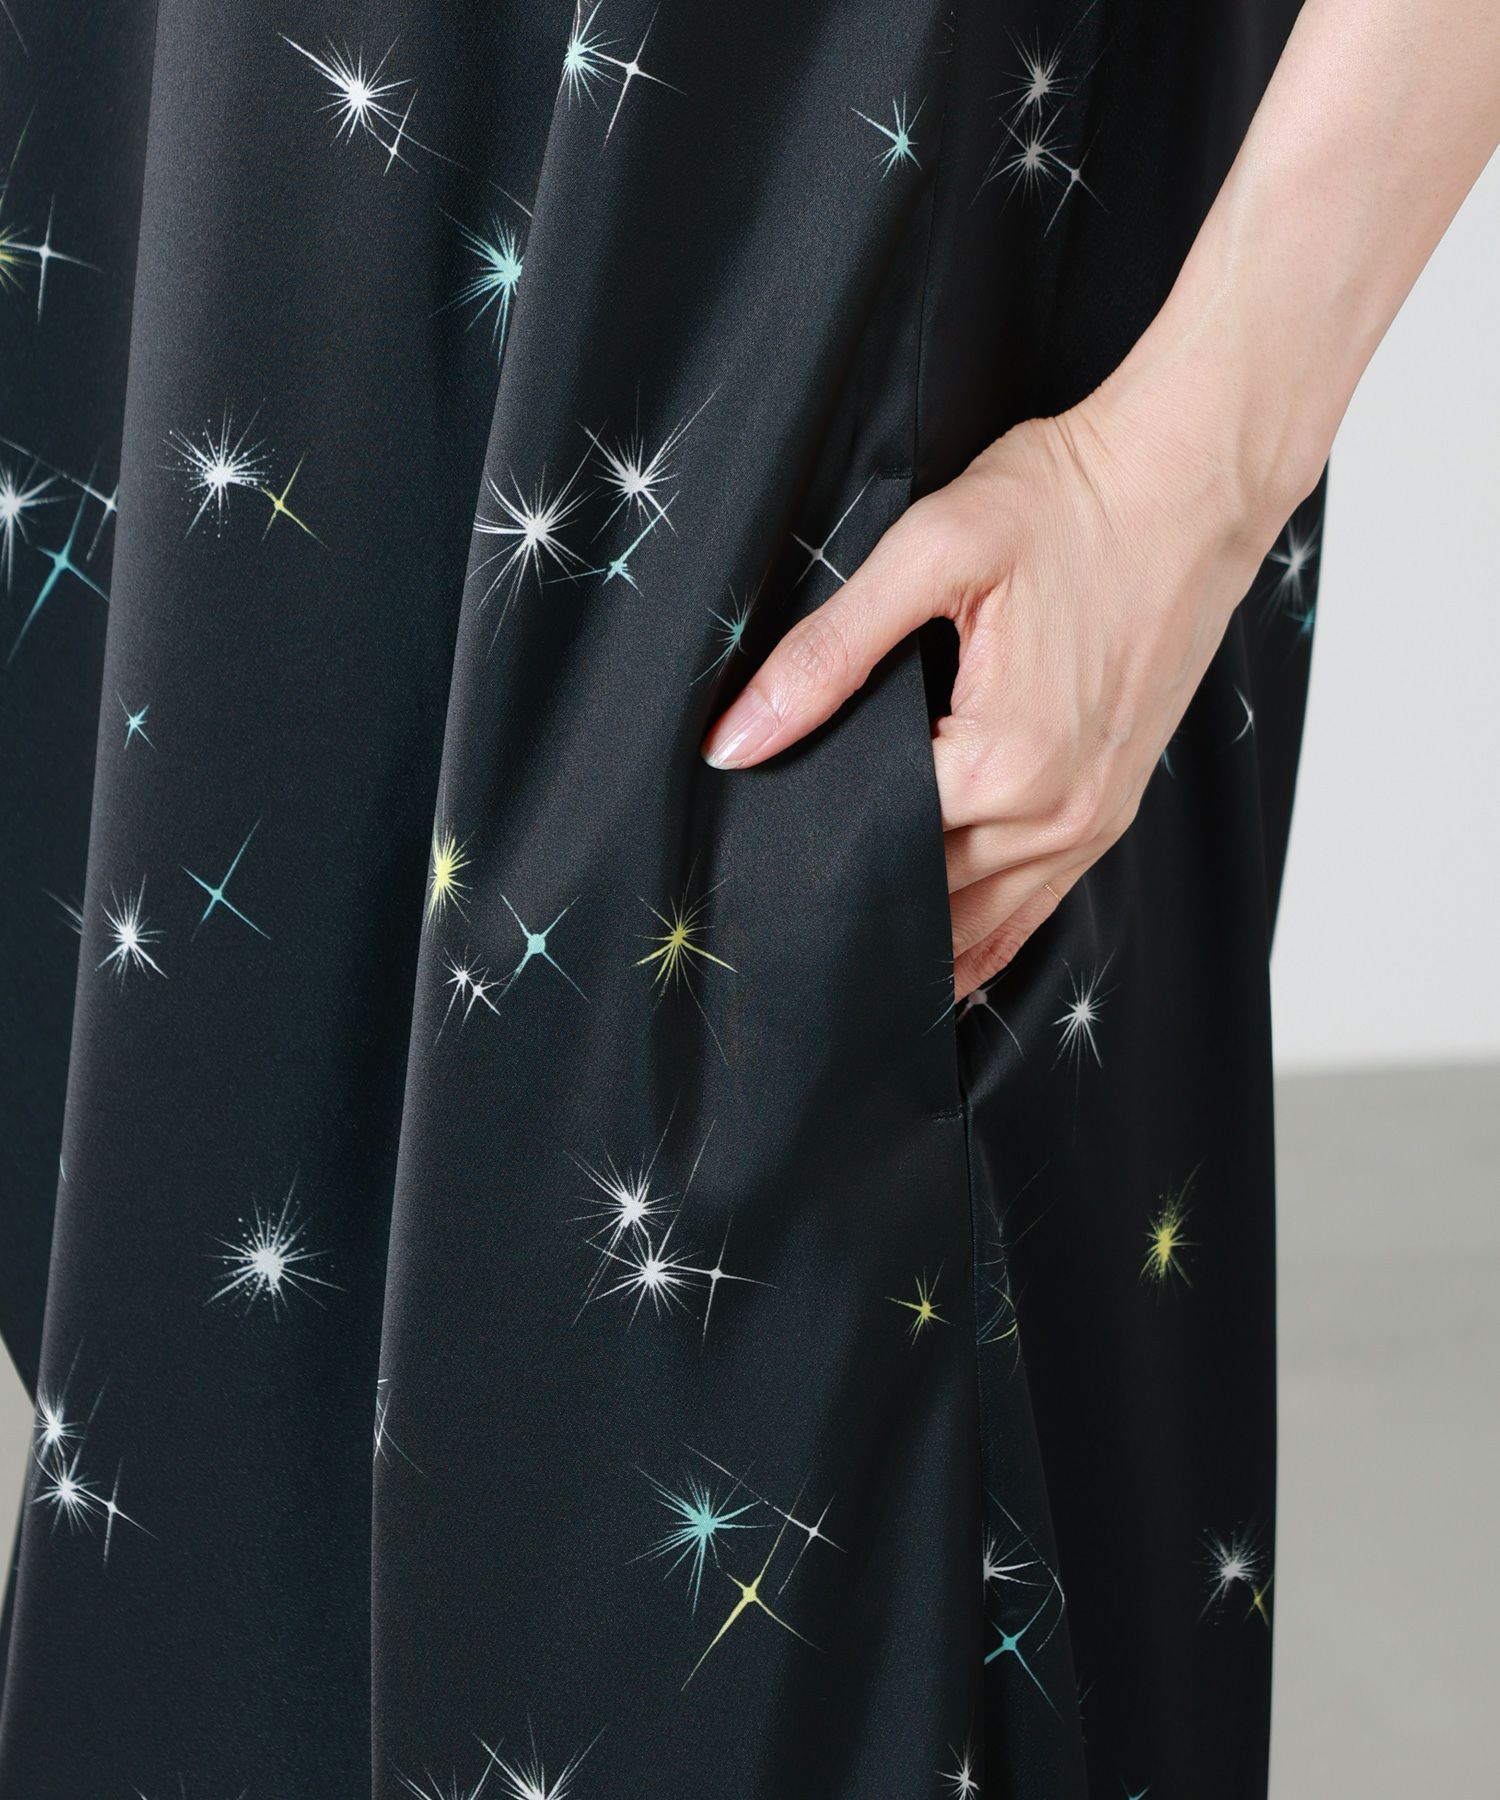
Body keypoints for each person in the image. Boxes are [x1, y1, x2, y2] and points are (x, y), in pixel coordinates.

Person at [0, 0, 1494, 1794]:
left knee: (736, 1597)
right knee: (218, 1581)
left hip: (810, 289)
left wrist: (1192, 462)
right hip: (211, 215)